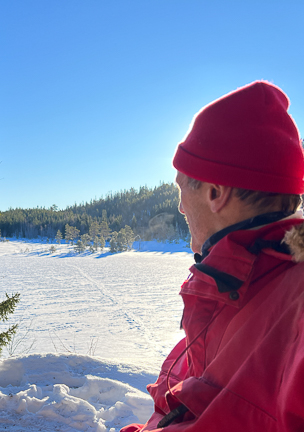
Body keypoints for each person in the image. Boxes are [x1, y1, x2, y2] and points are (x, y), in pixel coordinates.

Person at [121, 81, 304, 431]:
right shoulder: (232, 286)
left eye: (181, 188)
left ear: (216, 193)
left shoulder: (293, 305)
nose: (180, 207)